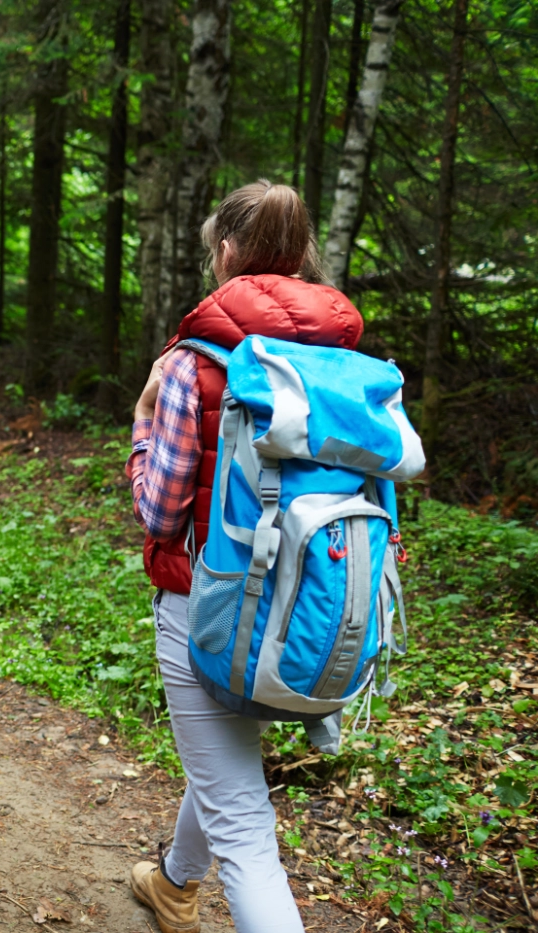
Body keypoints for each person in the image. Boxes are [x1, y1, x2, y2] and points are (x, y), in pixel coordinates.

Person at [126, 180, 365, 933]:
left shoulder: (194, 362)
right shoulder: (342, 360)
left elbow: (160, 510)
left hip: (210, 605)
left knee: (244, 830)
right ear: (300, 254)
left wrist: (142, 427)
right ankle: (173, 883)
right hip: (311, 604)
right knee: (227, 761)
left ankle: (189, 886)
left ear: (226, 251)